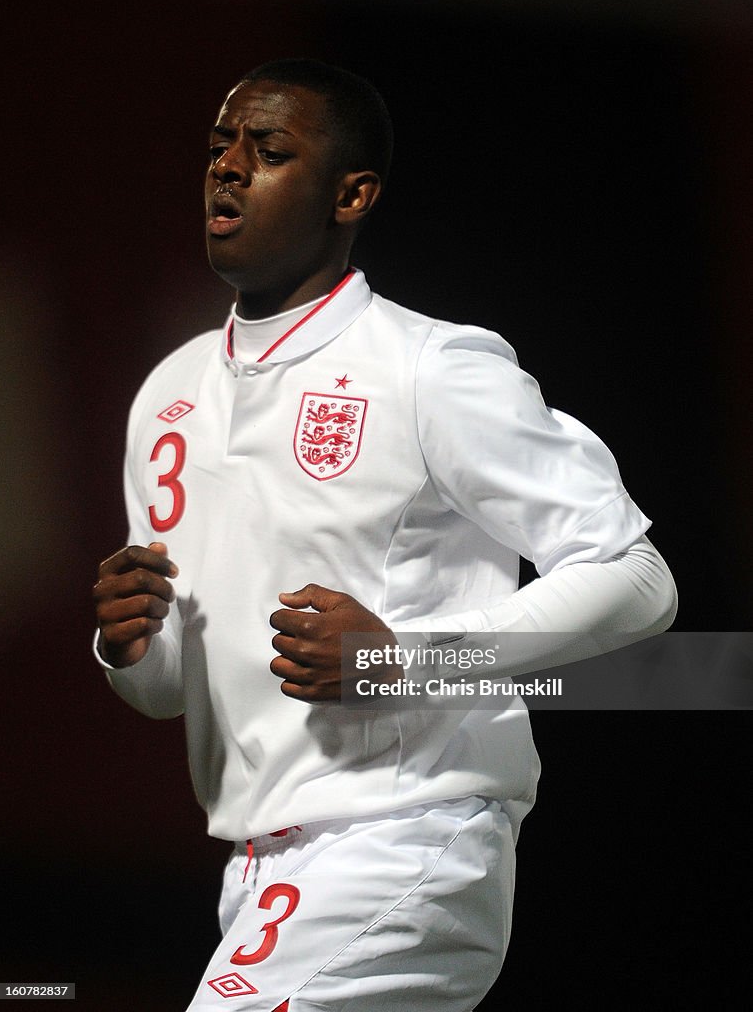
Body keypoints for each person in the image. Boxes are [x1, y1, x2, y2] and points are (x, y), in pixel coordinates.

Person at [92, 58, 677, 1012]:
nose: (228, 169)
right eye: (217, 148)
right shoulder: (169, 393)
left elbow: (635, 576)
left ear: (350, 194)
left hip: (405, 832)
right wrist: (126, 645)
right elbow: (165, 692)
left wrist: (403, 661)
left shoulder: (429, 367)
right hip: (254, 866)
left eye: (268, 151)